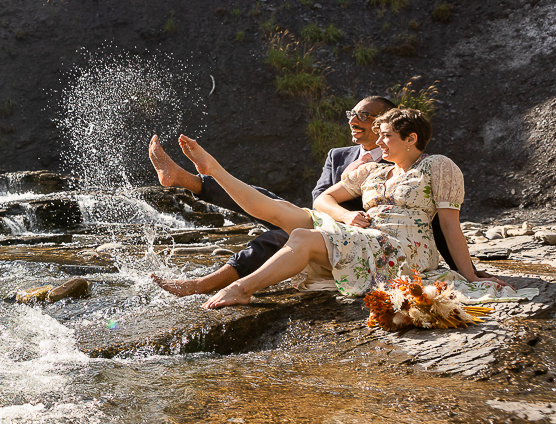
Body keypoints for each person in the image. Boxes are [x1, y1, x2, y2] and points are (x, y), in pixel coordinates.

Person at [164, 108, 508, 309]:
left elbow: (449, 226)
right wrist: (346, 216)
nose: (378, 141)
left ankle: (242, 289)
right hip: (366, 235)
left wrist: (471, 274)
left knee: (301, 235)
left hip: (403, 251)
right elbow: (322, 200)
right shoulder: (374, 170)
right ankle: (216, 171)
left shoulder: (438, 166)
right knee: (283, 211)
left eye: (385, 135)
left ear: (411, 138)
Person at [149, 95, 401, 297]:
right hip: (322, 218)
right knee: (272, 204)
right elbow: (318, 196)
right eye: (352, 114)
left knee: (280, 236)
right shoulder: (338, 155)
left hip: (353, 237)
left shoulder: (399, 162)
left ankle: (202, 284)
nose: (353, 120)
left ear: (384, 122)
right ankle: (190, 179)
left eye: (363, 115)